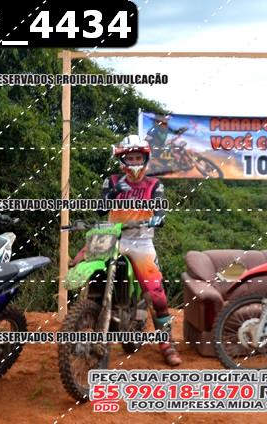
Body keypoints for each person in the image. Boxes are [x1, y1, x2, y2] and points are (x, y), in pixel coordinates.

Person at [99, 134, 182, 366]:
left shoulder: (154, 184)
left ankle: (167, 344)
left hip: (141, 242)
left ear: (145, 159)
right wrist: (115, 192)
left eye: (138, 158)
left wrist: (158, 218)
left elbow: (160, 209)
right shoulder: (111, 181)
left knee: (156, 294)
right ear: (122, 160)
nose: (134, 162)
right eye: (130, 158)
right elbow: (100, 209)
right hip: (113, 237)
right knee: (88, 271)